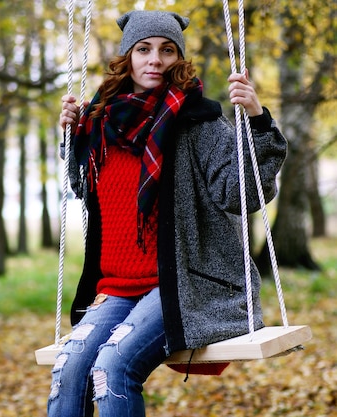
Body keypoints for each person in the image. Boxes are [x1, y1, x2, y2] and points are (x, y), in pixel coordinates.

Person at [47, 9, 287, 417]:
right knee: (68, 368)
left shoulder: (199, 121)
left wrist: (258, 122)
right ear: (128, 57)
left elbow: (238, 193)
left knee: (112, 366)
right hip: (118, 287)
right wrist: (71, 137)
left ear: (180, 59)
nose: (155, 60)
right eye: (144, 49)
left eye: (167, 50)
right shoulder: (101, 121)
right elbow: (82, 187)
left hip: (183, 285)